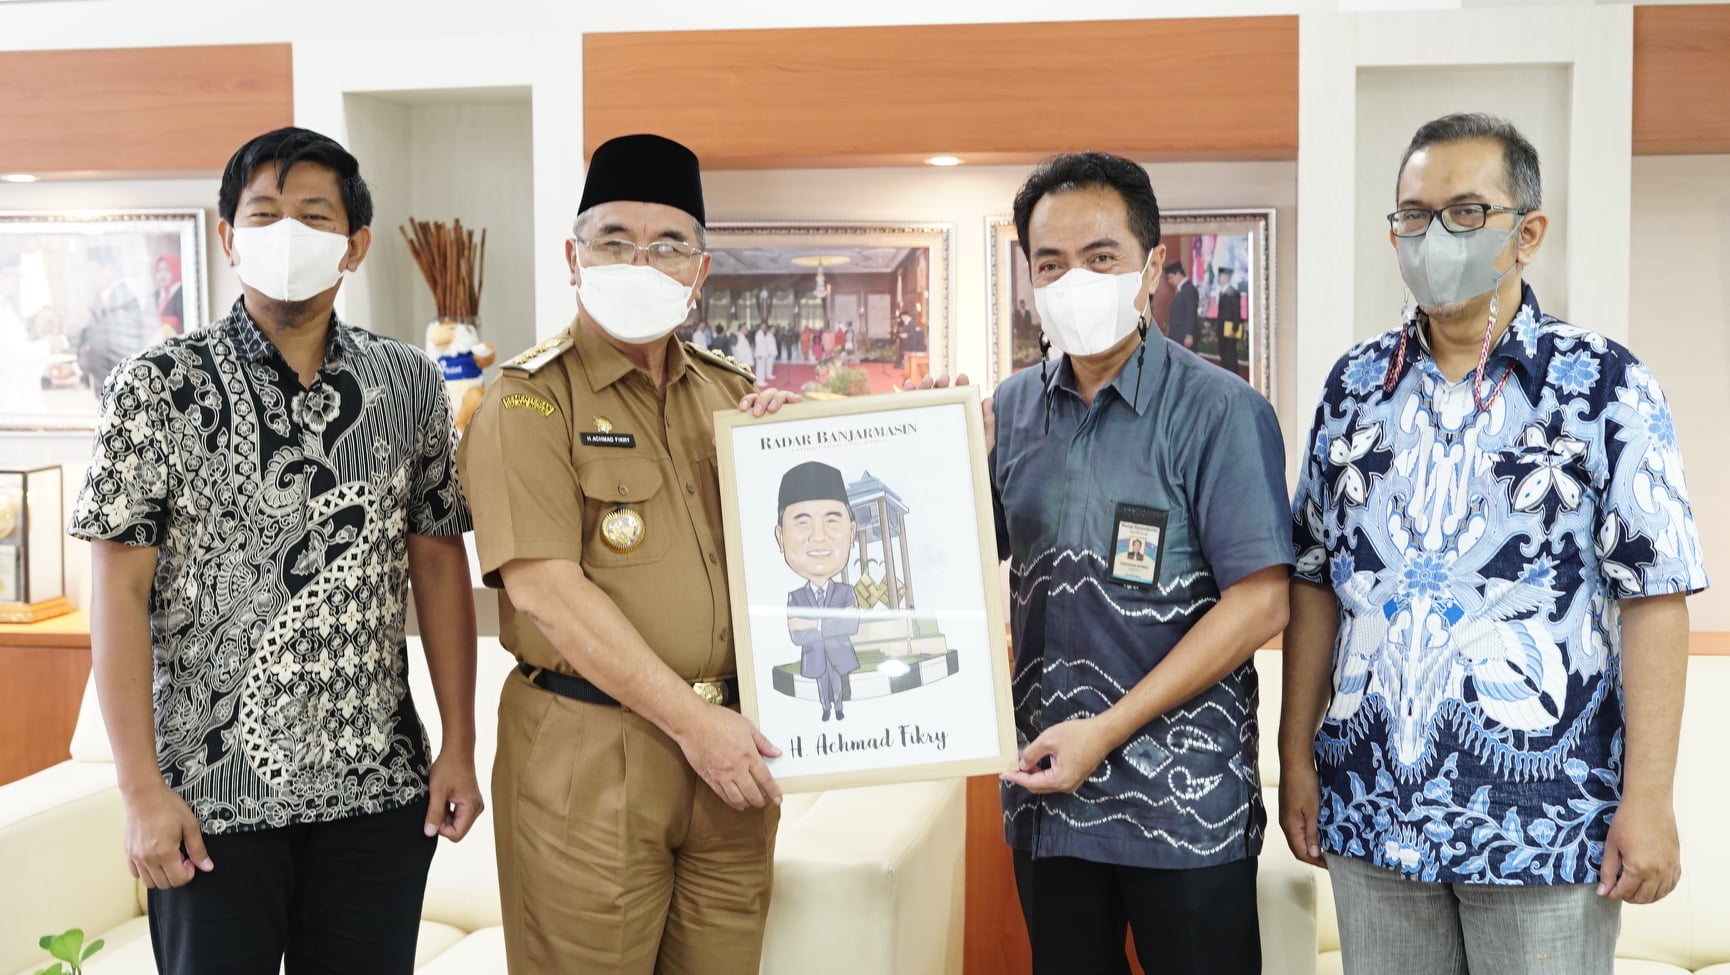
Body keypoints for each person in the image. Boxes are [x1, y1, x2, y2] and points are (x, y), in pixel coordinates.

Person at [1280, 113, 1709, 975]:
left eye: (1466, 212)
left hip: (1544, 819)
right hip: (1372, 807)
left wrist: (1650, 798)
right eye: (1414, 214)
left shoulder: (1605, 385)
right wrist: (1294, 755)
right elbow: (1314, 578)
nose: (1434, 236)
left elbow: (1655, 593)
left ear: (1528, 233)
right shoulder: (1353, 387)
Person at [67, 126, 482, 975]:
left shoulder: (409, 383)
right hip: (207, 804)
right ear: (229, 236)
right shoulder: (156, 387)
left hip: (377, 794)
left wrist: (460, 744)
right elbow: (117, 592)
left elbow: (441, 564)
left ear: (355, 245)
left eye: (314, 215)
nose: (286, 232)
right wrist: (140, 790)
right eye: (263, 214)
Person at [458, 133, 800, 974]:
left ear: (700, 271)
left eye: (668, 244)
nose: (640, 262)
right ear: (573, 258)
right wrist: (694, 725)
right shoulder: (527, 403)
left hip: (730, 761)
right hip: (592, 756)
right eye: (615, 241)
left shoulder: (730, 395)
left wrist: (796, 444)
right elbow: (546, 591)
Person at [991, 151, 1293, 975]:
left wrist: (1108, 729)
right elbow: (941, 548)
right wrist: (811, 435)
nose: (1074, 281)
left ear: (1152, 266)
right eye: (1050, 263)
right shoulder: (1011, 412)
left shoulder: (1220, 410)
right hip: (1050, 798)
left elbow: (1262, 602)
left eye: (1101, 257)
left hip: (1184, 811)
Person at [777, 461, 861, 722]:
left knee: (837, 684)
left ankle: (839, 707)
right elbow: (796, 633)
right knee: (822, 686)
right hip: (815, 658)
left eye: (832, 520)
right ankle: (826, 708)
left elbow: (852, 623)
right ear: (780, 537)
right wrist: (832, 622)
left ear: (852, 531)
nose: (818, 536)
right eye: (802, 523)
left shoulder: (846, 591)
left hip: (839, 655)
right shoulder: (795, 597)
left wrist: (814, 624)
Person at [77, 246, 146, 393]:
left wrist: (75, 367)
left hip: (123, 385)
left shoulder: (124, 298)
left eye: (93, 269)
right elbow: (90, 332)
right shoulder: (101, 298)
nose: (90, 276)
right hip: (104, 382)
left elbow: (105, 342)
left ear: (108, 268)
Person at [1213, 266, 1242, 377]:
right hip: (1222, 331)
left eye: (1220, 276)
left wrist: (1234, 329)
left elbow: (1236, 313)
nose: (1218, 278)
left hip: (1229, 332)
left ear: (1226, 277)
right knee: (1224, 356)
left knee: (1230, 357)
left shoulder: (1233, 293)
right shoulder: (1222, 292)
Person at [1162, 260, 1198, 350]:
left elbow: (1191, 313)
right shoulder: (1181, 290)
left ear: (1178, 274)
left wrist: (1189, 335)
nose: (1169, 281)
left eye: (1171, 278)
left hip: (1184, 337)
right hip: (1177, 336)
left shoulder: (1189, 289)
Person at [153, 253, 185, 338]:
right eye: (159, 271)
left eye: (166, 270)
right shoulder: (155, 295)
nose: (162, 275)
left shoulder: (183, 294)